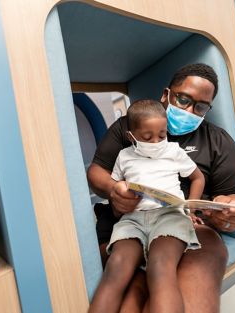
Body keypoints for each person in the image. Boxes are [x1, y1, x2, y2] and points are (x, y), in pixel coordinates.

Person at [87, 63, 235, 312]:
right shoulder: (128, 127)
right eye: (183, 99)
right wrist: (113, 189)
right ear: (167, 95)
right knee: (129, 290)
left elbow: (234, 196)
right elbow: (97, 171)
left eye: (201, 106)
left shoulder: (218, 142)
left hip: (189, 227)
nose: (189, 110)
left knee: (184, 279)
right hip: (128, 223)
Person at [88, 99, 205, 313]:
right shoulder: (124, 156)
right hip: (132, 220)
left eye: (162, 135)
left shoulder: (173, 151)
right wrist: (120, 193)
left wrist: (190, 210)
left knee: (159, 267)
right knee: (116, 267)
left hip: (170, 216)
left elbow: (198, 178)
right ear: (131, 137)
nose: (156, 142)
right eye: (147, 137)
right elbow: (115, 188)